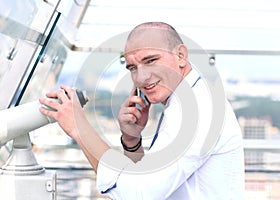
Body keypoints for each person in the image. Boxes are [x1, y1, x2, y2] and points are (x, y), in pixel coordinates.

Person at [39, 22, 245, 199]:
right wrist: (132, 141)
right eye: (132, 68)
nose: (141, 77)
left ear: (181, 56)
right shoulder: (187, 101)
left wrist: (78, 126)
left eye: (151, 61)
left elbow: (136, 194)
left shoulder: (197, 111)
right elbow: (145, 181)